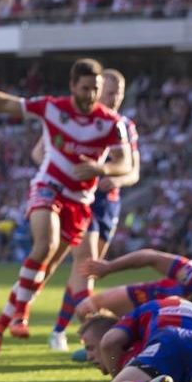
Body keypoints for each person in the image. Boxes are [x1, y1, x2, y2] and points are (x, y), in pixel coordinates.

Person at [0, 59, 132, 356]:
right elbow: (7, 104)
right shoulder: (53, 108)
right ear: (73, 86)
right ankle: (22, 314)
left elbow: (126, 163)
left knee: (50, 265)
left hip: (80, 202)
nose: (91, 95)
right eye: (86, 88)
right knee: (46, 244)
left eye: (95, 89)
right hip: (49, 186)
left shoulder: (110, 122)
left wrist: (101, 168)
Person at [42, 69, 141, 352]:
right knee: (86, 265)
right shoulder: (74, 119)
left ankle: (60, 331)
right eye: (109, 92)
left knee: (88, 270)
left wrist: (116, 178)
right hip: (80, 199)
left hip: (108, 203)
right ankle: (89, 335)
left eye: (119, 94)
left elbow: (133, 171)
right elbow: (41, 152)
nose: (114, 98)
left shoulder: (124, 126)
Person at [77, 249, 192, 363]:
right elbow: (151, 257)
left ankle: (123, 358)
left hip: (169, 330)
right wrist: (109, 267)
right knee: (86, 308)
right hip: (151, 298)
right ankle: (97, 351)